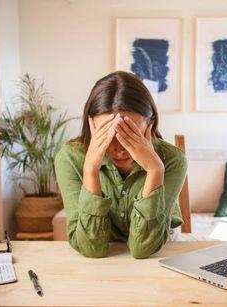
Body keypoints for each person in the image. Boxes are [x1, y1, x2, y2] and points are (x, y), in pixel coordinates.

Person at [54, 71, 187, 259]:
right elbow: (92, 248)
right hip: (105, 250)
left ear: (150, 125)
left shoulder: (172, 160)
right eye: (107, 134)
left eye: (129, 133)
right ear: (91, 125)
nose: (119, 148)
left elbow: (143, 248)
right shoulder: (69, 158)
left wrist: (155, 170)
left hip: (158, 248)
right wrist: (90, 169)